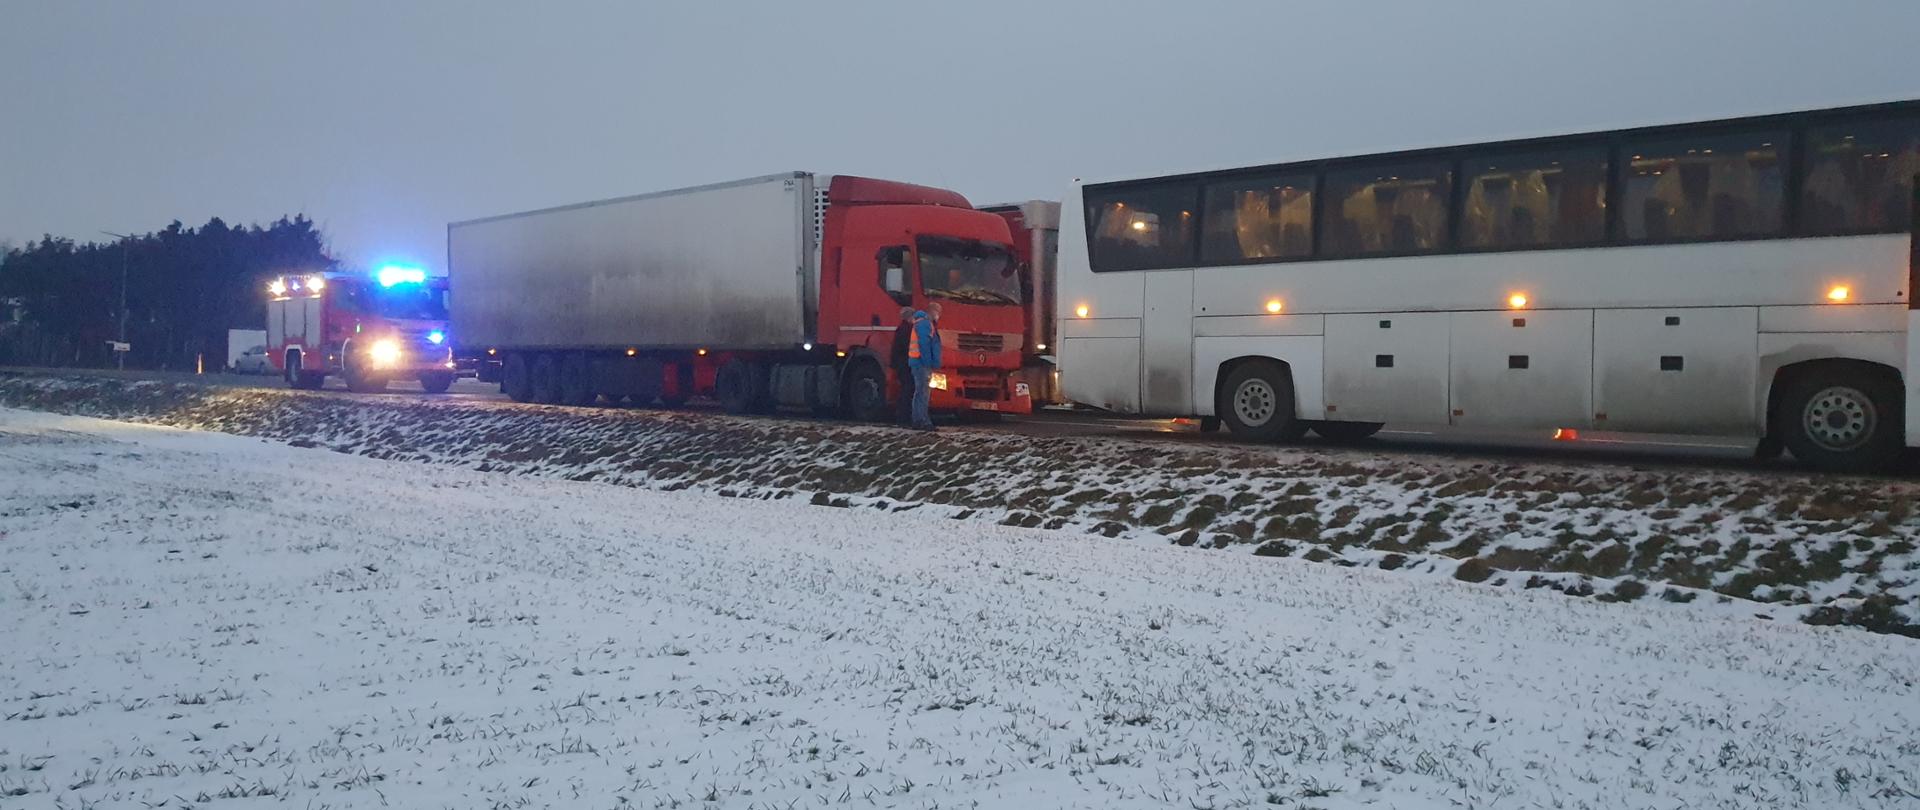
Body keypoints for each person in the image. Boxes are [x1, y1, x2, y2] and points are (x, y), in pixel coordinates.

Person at [907, 302, 943, 431]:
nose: (939, 315)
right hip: (922, 364)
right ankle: (923, 421)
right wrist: (929, 363)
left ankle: (917, 420)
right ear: (932, 311)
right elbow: (925, 345)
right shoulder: (925, 324)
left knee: (920, 392)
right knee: (923, 393)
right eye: (938, 311)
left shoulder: (920, 323)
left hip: (917, 363)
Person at [889, 307, 914, 425]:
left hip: (901, 364)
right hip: (905, 364)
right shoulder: (906, 330)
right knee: (907, 389)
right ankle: (904, 417)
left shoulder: (902, 328)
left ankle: (902, 416)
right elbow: (906, 347)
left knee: (905, 389)